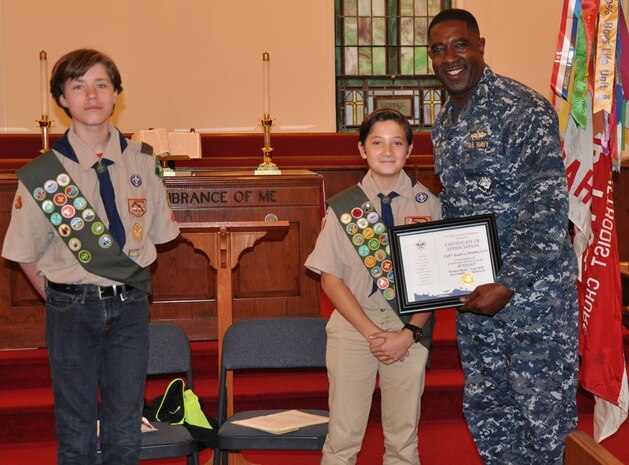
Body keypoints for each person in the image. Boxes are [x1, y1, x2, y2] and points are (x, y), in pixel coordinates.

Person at [1, 49, 180, 465]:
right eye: (78, 86)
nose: (91, 95)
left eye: (101, 84)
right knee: (76, 429)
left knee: (125, 426)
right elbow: (24, 251)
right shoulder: (44, 174)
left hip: (131, 306)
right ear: (62, 99)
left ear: (117, 93)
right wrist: (58, 295)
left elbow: (156, 234)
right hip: (69, 307)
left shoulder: (144, 161)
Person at [427, 9, 579, 465]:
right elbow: (459, 205)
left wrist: (507, 283)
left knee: (542, 418)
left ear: (480, 46)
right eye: (438, 49)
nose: (450, 57)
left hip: (533, 302)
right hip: (477, 298)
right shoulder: (445, 121)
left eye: (460, 45)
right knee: (490, 413)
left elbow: (547, 207)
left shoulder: (521, 108)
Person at [305, 108, 441, 465]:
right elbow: (330, 278)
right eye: (377, 142)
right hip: (353, 327)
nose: (387, 151)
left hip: (408, 328)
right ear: (362, 149)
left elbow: (436, 282)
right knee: (342, 438)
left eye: (397, 143)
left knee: (403, 440)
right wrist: (370, 333)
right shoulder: (343, 207)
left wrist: (409, 332)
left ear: (410, 151)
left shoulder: (431, 206)